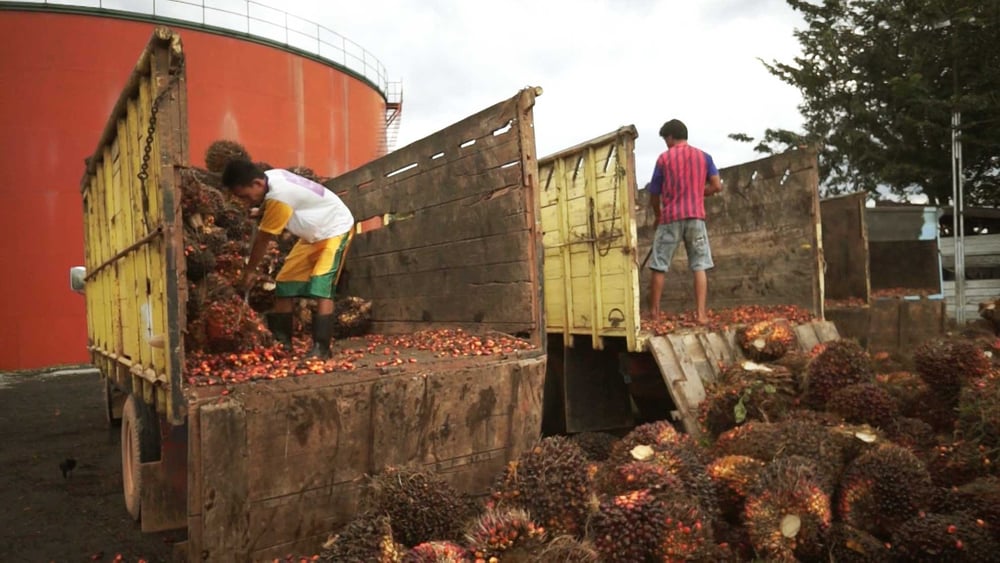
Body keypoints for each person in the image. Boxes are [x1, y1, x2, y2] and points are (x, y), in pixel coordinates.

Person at [222, 159, 355, 359]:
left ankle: (322, 347)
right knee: (284, 283)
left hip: (335, 228)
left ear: (257, 184)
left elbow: (263, 239)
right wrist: (260, 210)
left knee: (321, 285)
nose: (245, 202)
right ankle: (283, 343)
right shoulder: (272, 177)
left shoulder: (279, 196)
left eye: (245, 197)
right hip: (313, 235)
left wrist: (250, 271)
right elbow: (291, 200)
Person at [646, 119, 723, 324]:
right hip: (696, 217)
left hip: (670, 217)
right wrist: (699, 192)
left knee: (659, 264)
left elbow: (654, 194)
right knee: (699, 265)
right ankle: (701, 315)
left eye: (665, 139)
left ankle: (654, 314)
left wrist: (657, 214)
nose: (666, 143)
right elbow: (717, 186)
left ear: (670, 137)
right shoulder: (704, 157)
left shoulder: (664, 159)